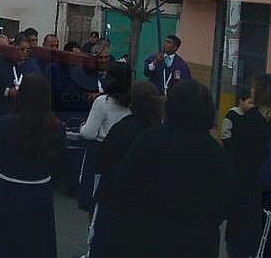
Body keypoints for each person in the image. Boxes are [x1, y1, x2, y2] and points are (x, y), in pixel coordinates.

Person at [110, 80, 234, 258]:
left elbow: (121, 184)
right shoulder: (217, 154)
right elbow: (228, 204)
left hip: (146, 238)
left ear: (171, 106)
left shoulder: (150, 140)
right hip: (197, 244)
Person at [0, 73, 67, 258]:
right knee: (37, 244)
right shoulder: (57, 128)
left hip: (8, 191)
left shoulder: (4, 125)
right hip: (40, 194)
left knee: (3, 244)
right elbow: (60, 165)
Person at [89, 81, 162, 258]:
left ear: (132, 102)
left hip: (113, 203)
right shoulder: (159, 132)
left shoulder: (122, 128)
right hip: (146, 209)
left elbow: (101, 161)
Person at [226, 74, 271, 258]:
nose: (251, 90)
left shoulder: (252, 120)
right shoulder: (250, 120)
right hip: (249, 194)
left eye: (254, 87)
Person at [78, 62, 131, 214]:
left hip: (99, 150)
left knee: (94, 196)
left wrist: (82, 127)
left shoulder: (102, 102)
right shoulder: (132, 102)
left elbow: (89, 133)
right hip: (123, 152)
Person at [222, 84, 253, 157]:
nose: (252, 106)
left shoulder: (250, 115)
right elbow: (225, 137)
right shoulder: (231, 115)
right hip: (233, 153)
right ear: (241, 101)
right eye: (249, 102)